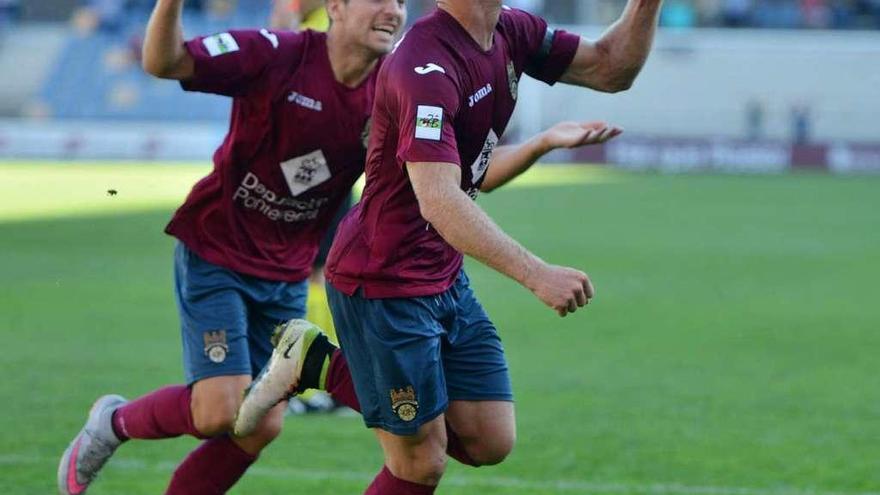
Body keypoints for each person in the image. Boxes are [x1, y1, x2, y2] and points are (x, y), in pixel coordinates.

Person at [235, 0, 661, 493]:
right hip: (384, 283)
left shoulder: (513, 30)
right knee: (420, 463)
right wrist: (537, 274)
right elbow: (439, 200)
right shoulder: (423, 67)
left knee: (489, 441)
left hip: (443, 271)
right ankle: (318, 365)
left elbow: (611, 68)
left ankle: (315, 362)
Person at [57, 0, 407, 494]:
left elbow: (427, 177)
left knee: (261, 423)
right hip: (218, 252)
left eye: (401, 0)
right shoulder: (272, 53)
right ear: (337, 8)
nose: (394, 10)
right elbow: (164, 62)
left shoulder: (391, 92)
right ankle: (113, 422)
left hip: (286, 271)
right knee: (219, 410)